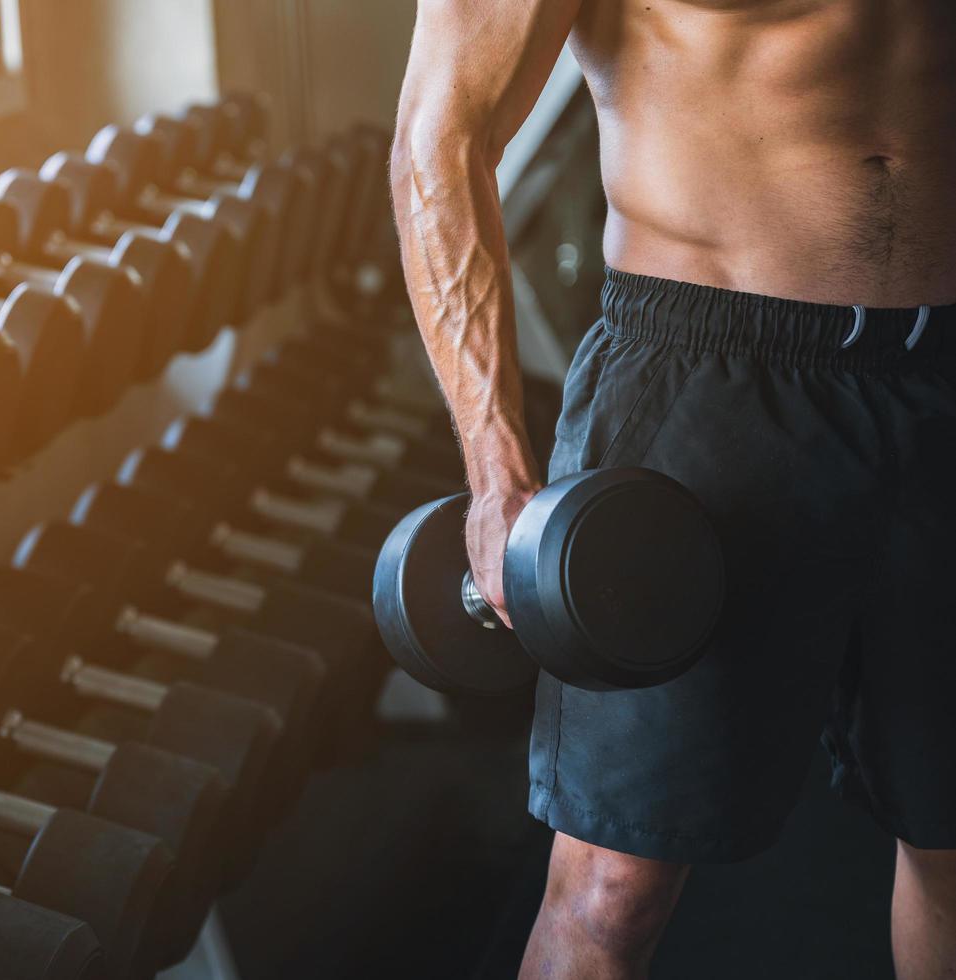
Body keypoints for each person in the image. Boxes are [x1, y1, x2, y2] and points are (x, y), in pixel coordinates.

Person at [388, 2, 955, 976]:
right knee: (611, 888)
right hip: (712, 381)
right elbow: (442, 136)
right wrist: (496, 477)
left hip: (942, 379)